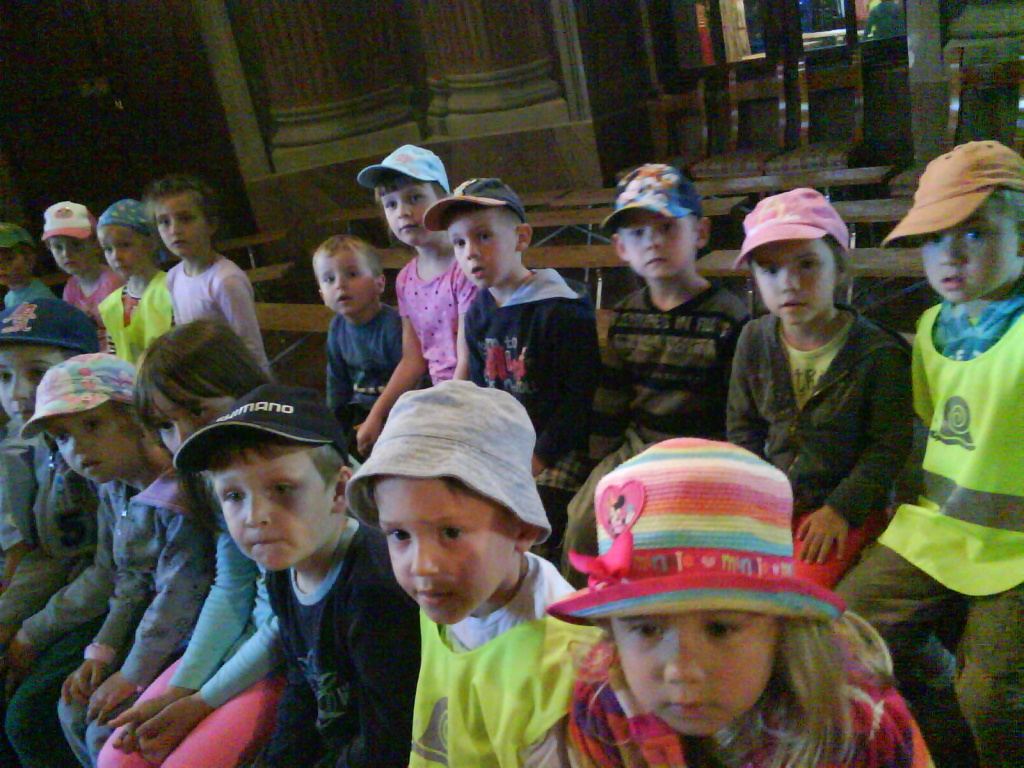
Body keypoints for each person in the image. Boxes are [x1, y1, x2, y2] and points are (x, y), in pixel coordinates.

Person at [549, 438, 934, 768]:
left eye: (720, 628)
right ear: (611, 631)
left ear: (784, 626)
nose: (681, 670)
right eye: (646, 628)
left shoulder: (859, 725)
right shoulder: (601, 704)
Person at [837, 140, 1024, 767]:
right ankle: (934, 734)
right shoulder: (932, 328)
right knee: (844, 633)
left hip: (1017, 551)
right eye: (935, 238)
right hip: (941, 528)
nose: (951, 255)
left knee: (992, 698)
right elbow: (931, 427)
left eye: (975, 233)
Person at [346, 380, 601, 767]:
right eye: (399, 534)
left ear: (522, 529)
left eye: (451, 533)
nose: (422, 565)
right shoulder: (446, 598)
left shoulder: (565, 667)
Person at [175, 384, 421, 767]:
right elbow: (303, 682)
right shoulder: (284, 570)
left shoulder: (376, 589)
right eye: (234, 496)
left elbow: (390, 740)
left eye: (282, 488)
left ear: (339, 491)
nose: (255, 516)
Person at [98, 319, 281, 768]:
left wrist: (200, 700)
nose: (182, 440)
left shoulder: (292, 474)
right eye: (165, 425)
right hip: (247, 640)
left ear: (247, 393)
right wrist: (182, 688)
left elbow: (291, 618)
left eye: (198, 412)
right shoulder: (211, 476)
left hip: (290, 655)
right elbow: (232, 586)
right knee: (118, 757)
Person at [14, 354, 213, 767]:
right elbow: (127, 577)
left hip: (196, 637)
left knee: (109, 730)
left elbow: (178, 597)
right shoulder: (114, 488)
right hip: (152, 633)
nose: (78, 448)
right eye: (62, 437)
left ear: (136, 418)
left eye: (92, 425)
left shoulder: (177, 496)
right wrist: (100, 653)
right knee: (73, 708)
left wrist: (131, 673)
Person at [562, 164, 748, 583]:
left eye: (667, 227)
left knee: (676, 538)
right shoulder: (627, 315)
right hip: (639, 445)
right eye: (638, 233)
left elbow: (737, 408)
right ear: (621, 247)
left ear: (700, 233)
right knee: (583, 522)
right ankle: (582, 607)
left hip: (702, 450)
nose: (653, 242)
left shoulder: (728, 317)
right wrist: (599, 464)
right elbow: (611, 398)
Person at [727, 188, 913, 588]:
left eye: (807, 264)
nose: (788, 282)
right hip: (771, 503)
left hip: (842, 506)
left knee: (796, 594)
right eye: (769, 269)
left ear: (839, 268)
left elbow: (888, 447)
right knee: (725, 583)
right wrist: (760, 500)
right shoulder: (754, 338)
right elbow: (743, 429)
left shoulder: (879, 352)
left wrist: (841, 509)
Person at [424, 179, 600, 556]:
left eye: (484, 236)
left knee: (526, 529)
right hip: (502, 444)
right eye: (459, 243)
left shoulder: (561, 310)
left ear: (521, 238)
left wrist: (535, 459)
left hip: (555, 449)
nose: (471, 252)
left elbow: (577, 401)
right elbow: (477, 392)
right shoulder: (478, 311)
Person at [0, 299, 100, 768]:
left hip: (110, 606)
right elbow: (46, 553)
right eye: (4, 376)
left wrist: (28, 633)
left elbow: (107, 569)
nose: (18, 394)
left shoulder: (94, 452)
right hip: (67, 595)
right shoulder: (33, 444)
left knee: (29, 718)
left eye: (37, 373)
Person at [354, 144, 476, 455]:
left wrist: (445, 419)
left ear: (443, 202)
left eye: (415, 198)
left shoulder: (467, 266)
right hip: (440, 397)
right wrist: (377, 414)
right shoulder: (407, 279)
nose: (402, 212)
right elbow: (413, 359)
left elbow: (468, 360)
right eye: (391, 204)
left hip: (474, 397)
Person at [143, 175, 268, 369]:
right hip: (204, 375)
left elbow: (250, 347)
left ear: (211, 224)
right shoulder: (174, 277)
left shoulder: (225, 280)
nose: (174, 230)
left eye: (186, 219)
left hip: (236, 377)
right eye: (164, 222)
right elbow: (186, 337)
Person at [313, 235, 401, 460]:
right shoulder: (337, 328)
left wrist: (380, 419)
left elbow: (409, 382)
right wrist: (334, 426)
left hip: (397, 409)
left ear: (379, 283)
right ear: (322, 295)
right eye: (329, 279)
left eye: (352, 274)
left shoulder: (393, 325)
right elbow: (337, 383)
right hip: (359, 410)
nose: (340, 284)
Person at [96, 200, 173, 364]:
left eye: (125, 245)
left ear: (150, 243)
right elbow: (114, 355)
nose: (116, 256)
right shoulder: (111, 305)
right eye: (108, 249)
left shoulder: (171, 288)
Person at [42, 201, 123, 348]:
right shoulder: (71, 287)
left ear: (96, 244)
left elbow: (122, 334)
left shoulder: (113, 282)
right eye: (58, 247)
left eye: (76, 245)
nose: (66, 253)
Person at [0, 222, 55, 309]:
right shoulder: (9, 296)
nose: (1, 266)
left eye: (8, 259)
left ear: (30, 260)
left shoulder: (38, 298)